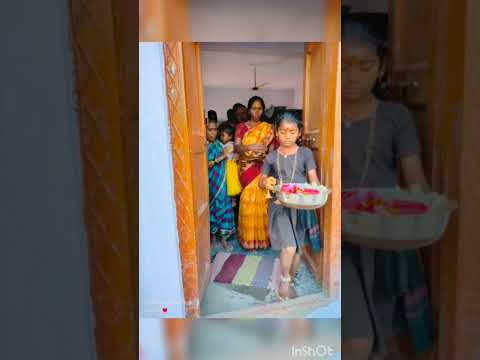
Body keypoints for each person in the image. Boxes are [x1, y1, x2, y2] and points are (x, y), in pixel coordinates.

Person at [341, 19, 433, 359]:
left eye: (364, 66)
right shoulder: (323, 116)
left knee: (386, 333)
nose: (352, 77)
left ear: (381, 68)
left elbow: (416, 180)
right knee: (357, 338)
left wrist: (429, 211)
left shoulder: (397, 116)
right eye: (343, 67)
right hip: (339, 236)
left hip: (386, 233)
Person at [259, 112, 321, 300]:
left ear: (299, 133)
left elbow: (314, 180)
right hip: (280, 206)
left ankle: (289, 280)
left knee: (299, 249)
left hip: (301, 207)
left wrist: (319, 192)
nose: (287, 136)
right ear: (276, 133)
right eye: (283, 131)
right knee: (289, 247)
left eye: (292, 131)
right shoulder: (271, 157)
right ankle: (284, 284)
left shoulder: (305, 153)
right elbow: (261, 180)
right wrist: (266, 182)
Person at [235, 96, 274, 250]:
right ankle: (248, 240)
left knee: (262, 202)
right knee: (247, 200)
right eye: (253, 108)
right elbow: (237, 148)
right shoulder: (241, 127)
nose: (256, 111)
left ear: (263, 110)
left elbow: (271, 149)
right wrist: (251, 148)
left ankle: (262, 240)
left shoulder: (268, 127)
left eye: (259, 108)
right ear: (249, 109)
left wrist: (263, 152)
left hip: (262, 166)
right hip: (246, 167)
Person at [206, 119, 235, 251]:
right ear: (204, 131)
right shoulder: (203, 147)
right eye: (209, 130)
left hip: (223, 181)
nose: (213, 133)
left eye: (215, 130)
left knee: (225, 205)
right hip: (212, 182)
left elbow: (230, 158)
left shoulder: (219, 144)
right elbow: (207, 164)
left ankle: (224, 238)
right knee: (213, 207)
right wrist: (221, 157)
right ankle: (212, 237)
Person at [218, 123, 242, 224]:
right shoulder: (223, 144)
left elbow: (223, 155)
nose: (221, 137)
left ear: (231, 136)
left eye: (223, 135)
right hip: (225, 171)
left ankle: (230, 220)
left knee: (230, 196)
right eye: (221, 135)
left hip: (229, 172)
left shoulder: (231, 145)